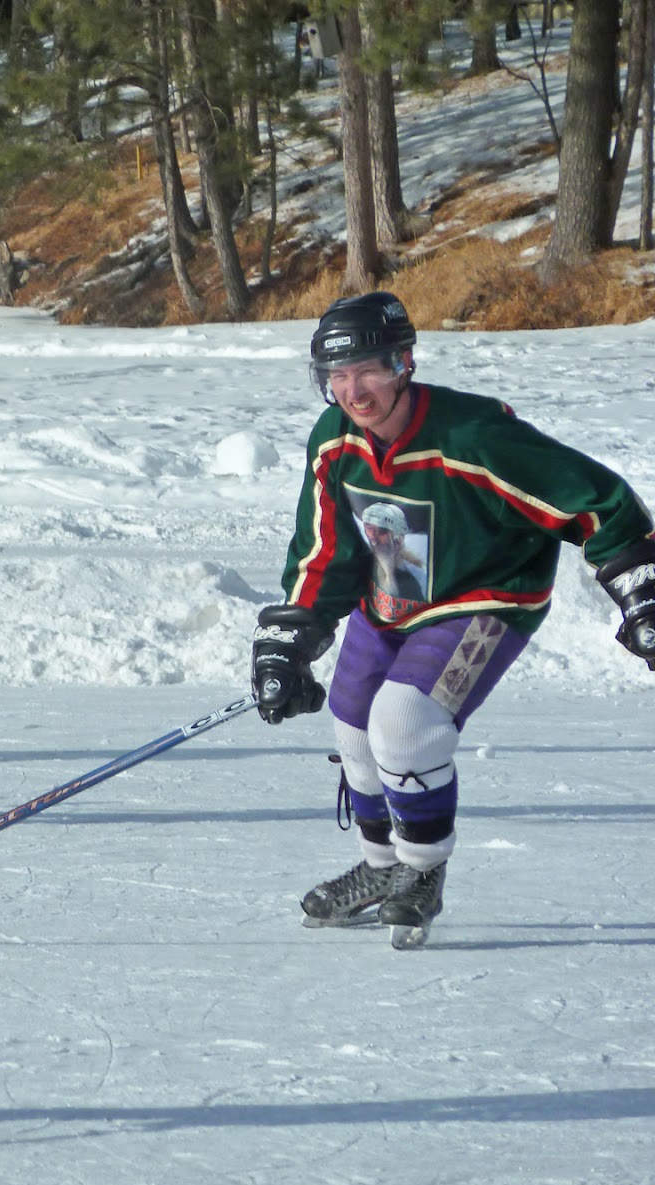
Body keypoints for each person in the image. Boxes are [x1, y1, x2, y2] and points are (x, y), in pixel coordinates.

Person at [251, 291, 655, 946]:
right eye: (338, 376)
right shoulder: (334, 443)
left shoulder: (472, 435)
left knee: (403, 723)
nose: (354, 390)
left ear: (403, 362)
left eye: (369, 370)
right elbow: (326, 549)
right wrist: (289, 639)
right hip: (393, 598)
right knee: (353, 725)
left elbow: (597, 502)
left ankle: (421, 869)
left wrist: (640, 587)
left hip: (484, 598)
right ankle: (382, 869)